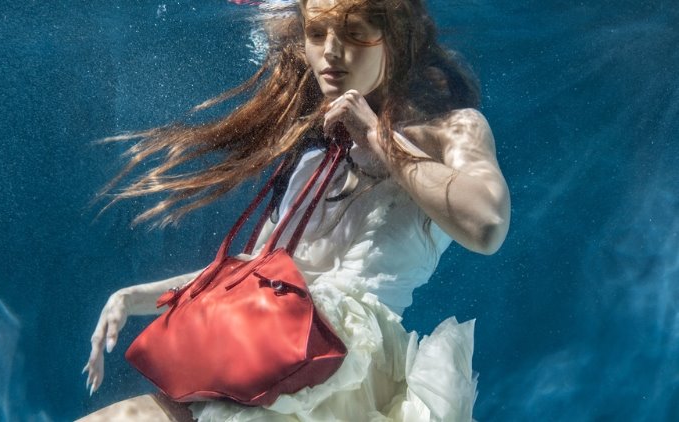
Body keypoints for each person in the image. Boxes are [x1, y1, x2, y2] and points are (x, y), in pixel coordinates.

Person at [80, 0, 510, 420]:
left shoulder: (453, 129)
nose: (331, 51)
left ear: (394, 39)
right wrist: (133, 298)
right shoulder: (316, 155)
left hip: (346, 373)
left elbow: (487, 225)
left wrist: (378, 138)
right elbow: (253, 270)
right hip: (266, 347)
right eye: (317, 33)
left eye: (354, 32)